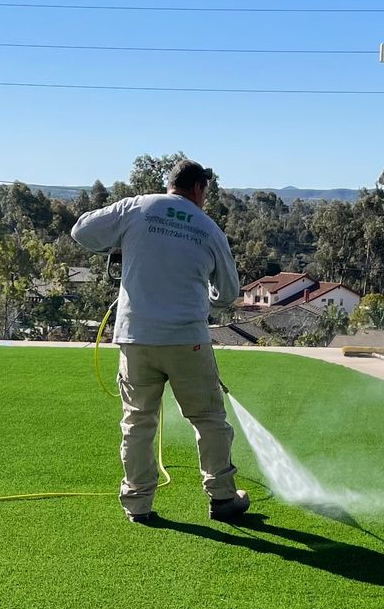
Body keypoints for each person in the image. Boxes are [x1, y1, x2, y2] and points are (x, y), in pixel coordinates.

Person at [70, 160, 249, 525]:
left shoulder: (136, 207)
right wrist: (208, 297)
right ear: (199, 188)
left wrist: (118, 243)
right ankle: (223, 498)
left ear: (170, 184)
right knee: (209, 419)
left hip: (136, 338)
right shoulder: (208, 227)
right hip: (188, 340)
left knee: (138, 422)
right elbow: (229, 292)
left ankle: (138, 504)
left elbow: (81, 231)